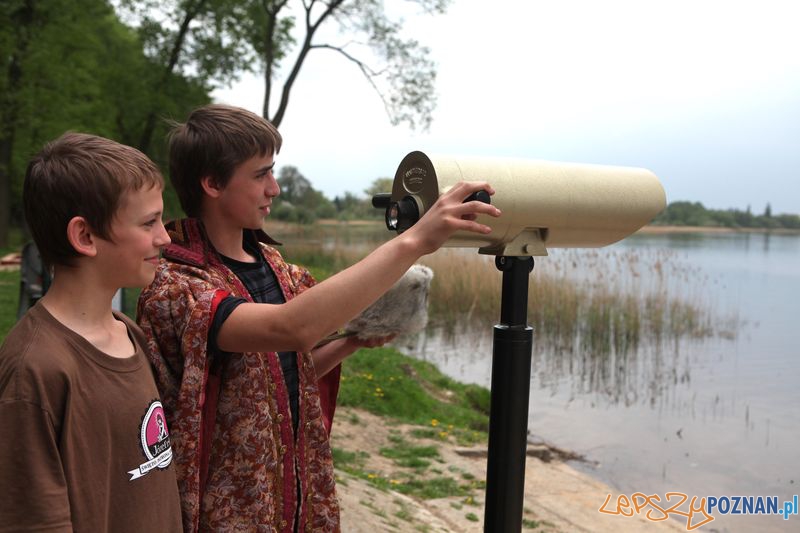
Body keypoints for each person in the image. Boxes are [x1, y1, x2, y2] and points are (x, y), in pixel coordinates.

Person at [136, 104, 501, 532]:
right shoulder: (178, 285)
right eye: (260, 175)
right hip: (226, 513)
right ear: (213, 183)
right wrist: (415, 240)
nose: (274, 188)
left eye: (274, 172)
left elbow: (287, 369)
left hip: (294, 497)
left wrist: (351, 341)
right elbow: (289, 328)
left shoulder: (274, 265)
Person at [0, 133, 182, 531]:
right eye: (148, 222)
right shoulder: (35, 369)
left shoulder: (127, 333)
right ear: (85, 237)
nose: (164, 237)